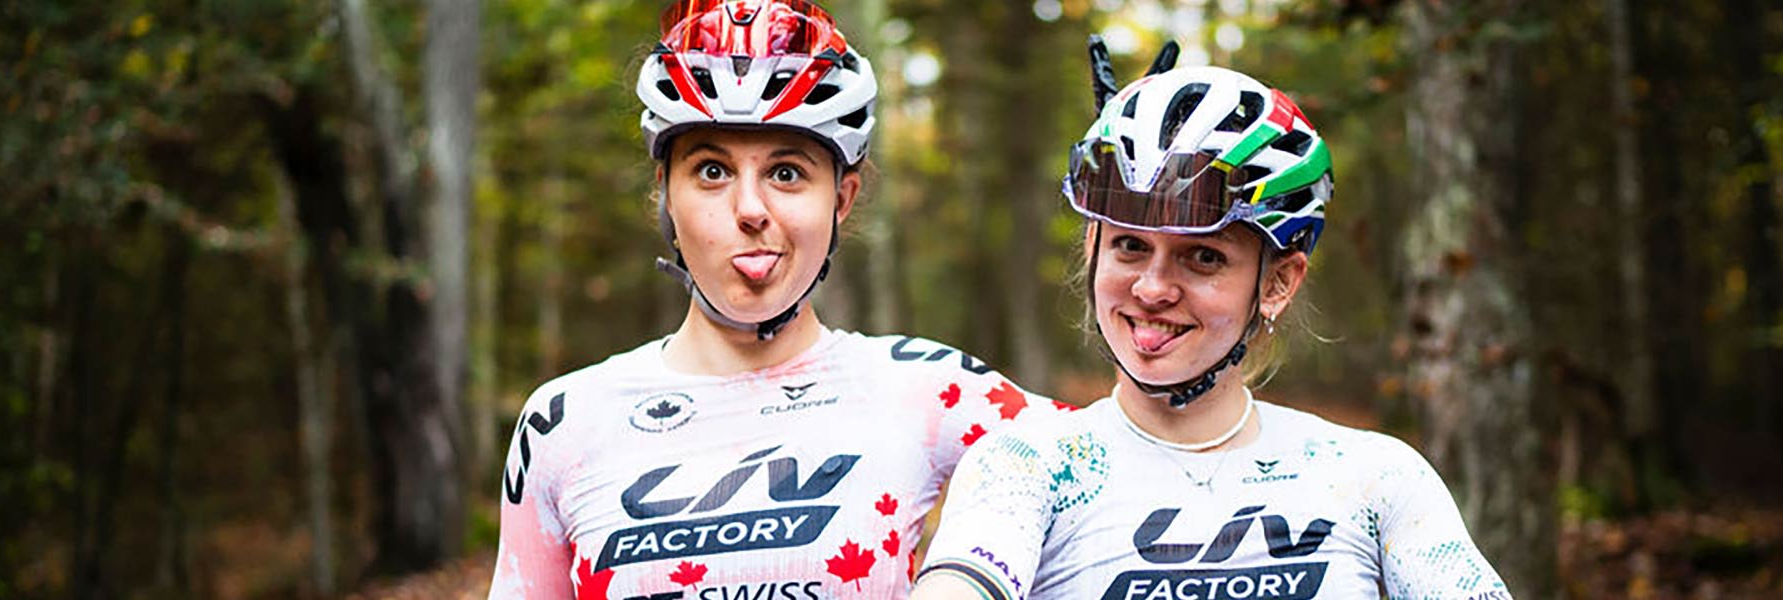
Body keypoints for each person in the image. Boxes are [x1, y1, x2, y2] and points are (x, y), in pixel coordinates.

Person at [489, 1, 1064, 597]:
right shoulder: (564, 422)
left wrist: (972, 572)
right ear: (665, 192)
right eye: (712, 172)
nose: (750, 211)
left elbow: (1113, 459)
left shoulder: (925, 389)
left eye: (787, 173)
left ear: (842, 198)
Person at [911, 52, 1511, 600]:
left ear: (1277, 282)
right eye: (1128, 246)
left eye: (1204, 257)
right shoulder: (1026, 466)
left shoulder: (1375, 476)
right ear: (1094, 251)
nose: (1152, 288)